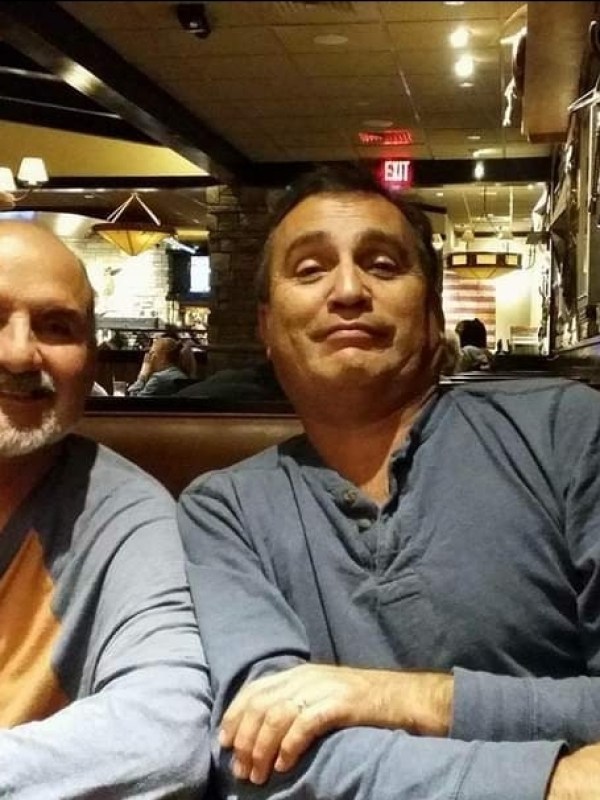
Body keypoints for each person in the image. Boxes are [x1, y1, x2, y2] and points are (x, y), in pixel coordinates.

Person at [178, 162, 600, 800]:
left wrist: (405, 698)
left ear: (432, 313)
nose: (348, 290)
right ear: (266, 326)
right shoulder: (224, 510)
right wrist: (554, 782)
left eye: (382, 265)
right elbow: (257, 754)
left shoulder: (564, 432)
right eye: (310, 269)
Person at [0, 220, 211, 796]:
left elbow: (168, 735)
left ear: (91, 359)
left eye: (56, 326)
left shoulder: (124, 515)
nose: (19, 355)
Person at [128, 334, 197, 396]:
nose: (149, 358)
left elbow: (133, 401)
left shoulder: (158, 379)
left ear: (162, 357)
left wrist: (142, 375)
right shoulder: (183, 376)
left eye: (152, 353)